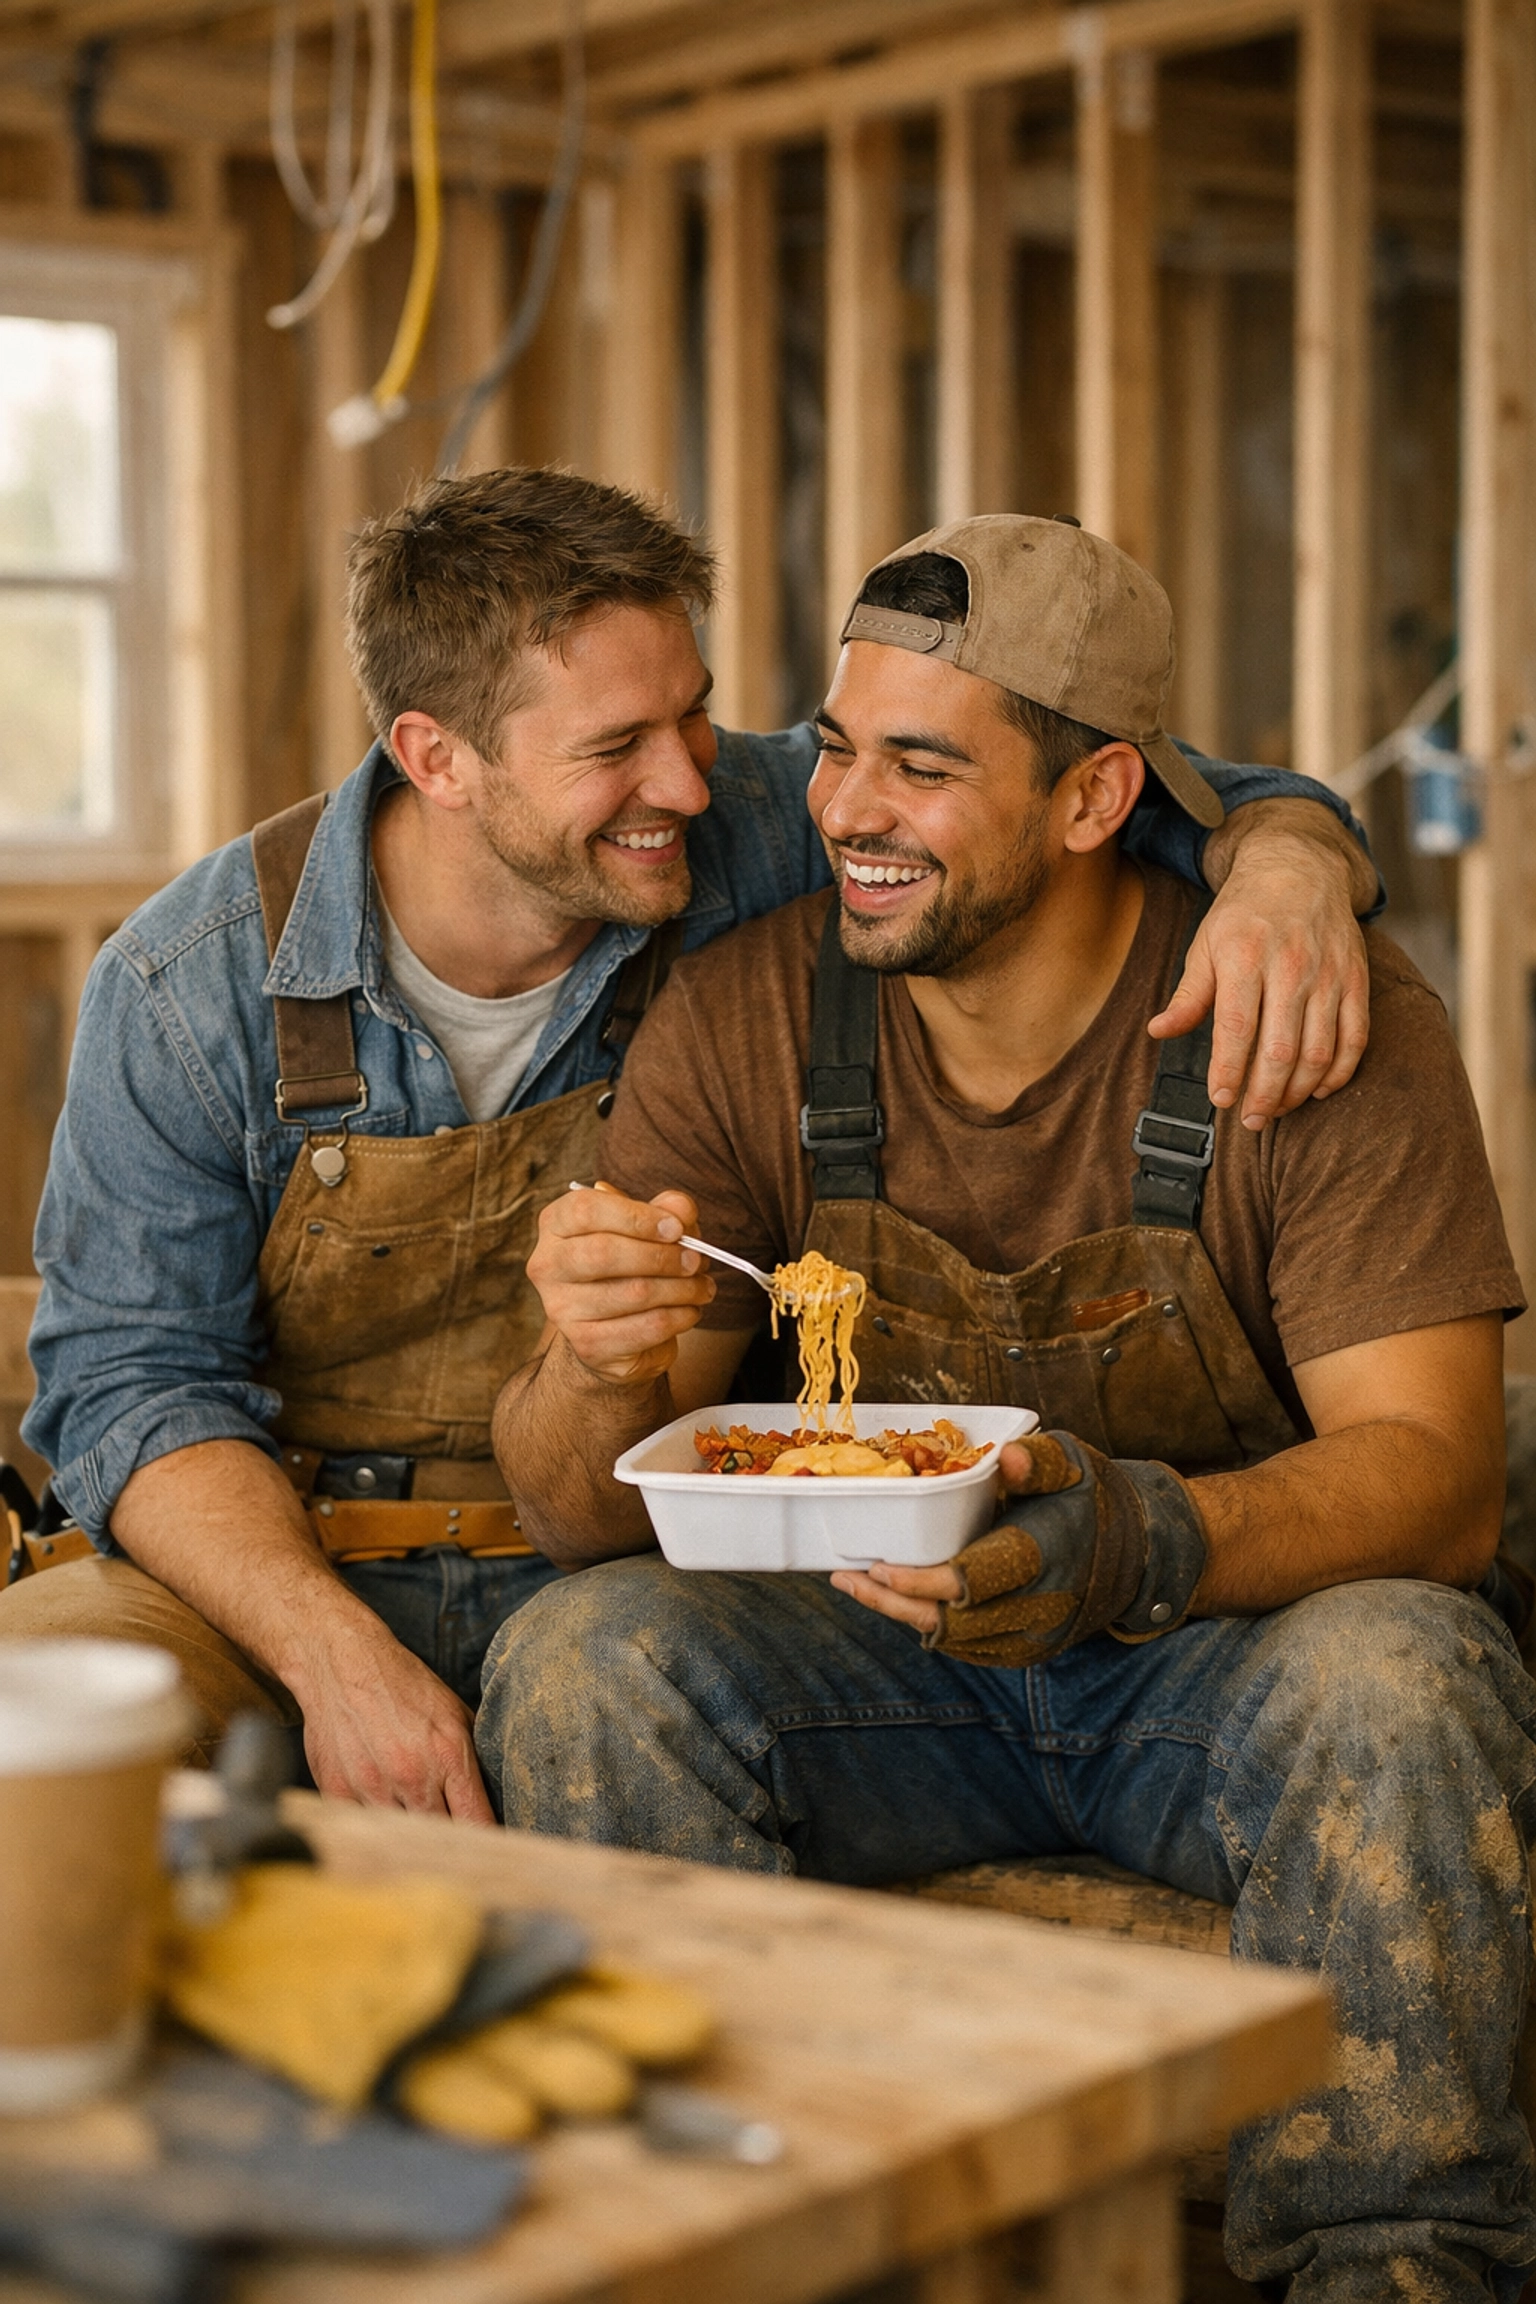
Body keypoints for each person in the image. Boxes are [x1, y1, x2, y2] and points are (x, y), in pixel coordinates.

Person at [490, 517, 1536, 2303]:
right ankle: (724, 2251)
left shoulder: (1294, 1017)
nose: (846, 810)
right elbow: (583, 1513)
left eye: (923, 763)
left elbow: (1442, 1486)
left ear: (1091, 796)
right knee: (586, 1654)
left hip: (1213, 1667)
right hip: (879, 1672)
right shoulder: (750, 1011)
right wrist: (591, 1362)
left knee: (1407, 1676)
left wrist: (1143, 1533)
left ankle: (1395, 2266)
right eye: (833, 748)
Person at [5, 472, 1375, 1828]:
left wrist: (1292, 860)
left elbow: (1102, 785)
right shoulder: (188, 988)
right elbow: (132, 1389)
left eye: (698, 714)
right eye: (615, 749)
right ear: (436, 758)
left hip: (630, 1560)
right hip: (277, 1583)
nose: (685, 780)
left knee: (605, 1682)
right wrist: (331, 1658)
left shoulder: (763, 822)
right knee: (42, 1710)